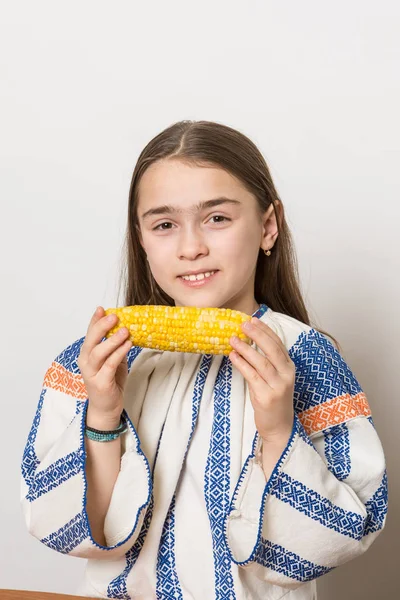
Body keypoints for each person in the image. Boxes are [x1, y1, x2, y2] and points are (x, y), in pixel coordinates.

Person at [21, 121, 387, 600]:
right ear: (142, 240)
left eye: (217, 218)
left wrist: (278, 430)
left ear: (267, 226)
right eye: (165, 224)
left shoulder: (309, 359)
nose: (191, 247)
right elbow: (66, 528)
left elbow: (339, 537)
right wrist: (103, 414)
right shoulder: (93, 360)